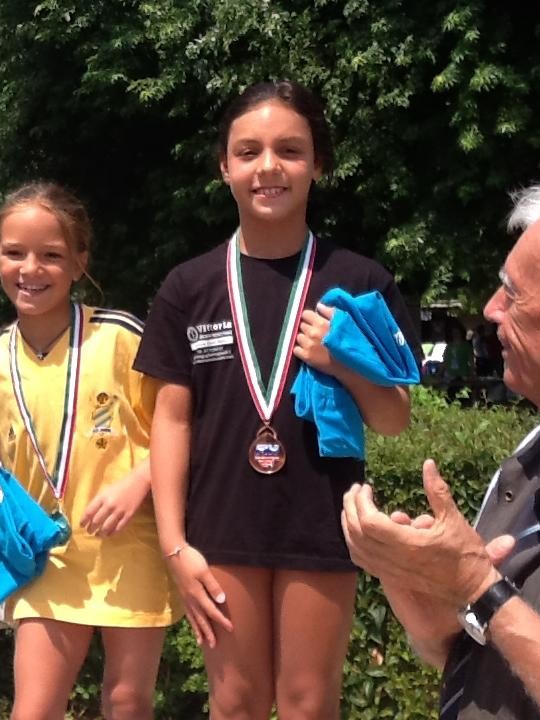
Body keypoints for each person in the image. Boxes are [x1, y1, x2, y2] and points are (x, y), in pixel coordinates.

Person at [133, 80, 419, 720]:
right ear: (224, 167)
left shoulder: (359, 280)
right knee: (235, 702)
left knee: (308, 704)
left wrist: (344, 362)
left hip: (322, 518)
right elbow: (172, 422)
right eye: (249, 151)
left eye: (290, 150)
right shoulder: (188, 286)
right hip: (220, 525)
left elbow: (394, 418)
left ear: (318, 163)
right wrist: (175, 546)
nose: (269, 167)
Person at [0, 182, 181, 720]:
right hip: (43, 555)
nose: (31, 269)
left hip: (129, 548)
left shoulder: (121, 337)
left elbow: (180, 429)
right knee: (34, 709)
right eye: (15, 253)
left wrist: (139, 481)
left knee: (127, 701)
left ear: (80, 262)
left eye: (51, 255)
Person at [342, 179, 540, 720]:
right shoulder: (535, 452)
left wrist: (479, 586)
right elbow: (464, 653)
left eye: (513, 294)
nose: (490, 309)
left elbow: (487, 598)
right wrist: (416, 585)